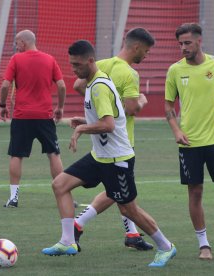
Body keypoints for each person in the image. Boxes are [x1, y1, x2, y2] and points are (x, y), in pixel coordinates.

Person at [42, 40, 176, 268]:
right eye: (72, 64)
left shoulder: (99, 86)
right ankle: (67, 242)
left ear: (91, 61)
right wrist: (85, 120)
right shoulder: (93, 82)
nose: (74, 69)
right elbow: (111, 116)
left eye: (78, 65)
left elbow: (109, 125)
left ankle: (165, 247)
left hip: (118, 159)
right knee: (60, 185)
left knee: (128, 209)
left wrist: (83, 128)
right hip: (100, 156)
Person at [72, 28, 154, 251]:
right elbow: (130, 108)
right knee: (118, 192)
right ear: (136, 47)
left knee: (120, 191)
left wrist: (102, 106)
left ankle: (132, 234)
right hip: (120, 140)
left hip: (103, 140)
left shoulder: (103, 64)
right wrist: (142, 101)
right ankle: (77, 224)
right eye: (145, 51)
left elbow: (78, 85)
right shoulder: (130, 73)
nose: (146, 56)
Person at [164, 23, 214, 260]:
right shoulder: (175, 70)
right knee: (195, 193)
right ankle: (203, 244)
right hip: (190, 143)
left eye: (187, 43)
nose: (183, 48)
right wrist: (176, 130)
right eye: (180, 44)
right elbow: (168, 105)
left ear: (199, 41)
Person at [0, 29, 66, 208]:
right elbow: (61, 86)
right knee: (53, 153)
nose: (15, 45)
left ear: (24, 42)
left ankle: (13, 198)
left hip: (22, 116)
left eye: (17, 42)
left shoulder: (16, 59)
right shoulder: (49, 59)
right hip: (45, 115)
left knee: (16, 154)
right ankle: (64, 194)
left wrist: (2, 105)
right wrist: (59, 107)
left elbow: (5, 85)